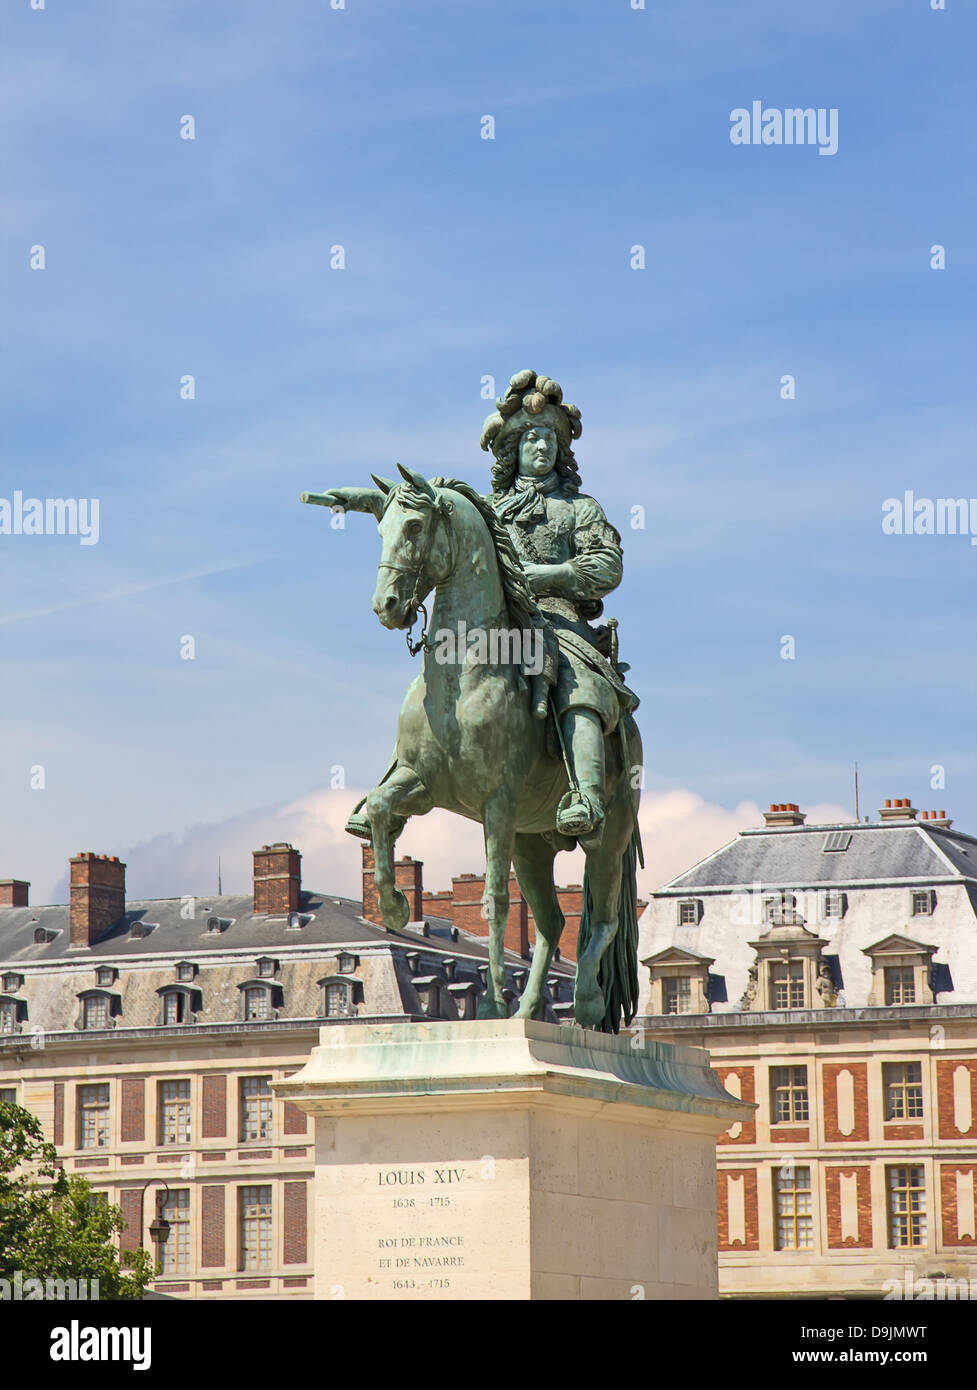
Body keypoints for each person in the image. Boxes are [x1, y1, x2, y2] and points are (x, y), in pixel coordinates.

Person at [480, 370, 637, 845]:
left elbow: (607, 566)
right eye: (531, 437)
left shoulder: (581, 509)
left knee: (578, 686)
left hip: (561, 622)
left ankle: (586, 793)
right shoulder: (485, 510)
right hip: (498, 624)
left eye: (549, 437)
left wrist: (549, 576)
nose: (541, 446)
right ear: (513, 449)